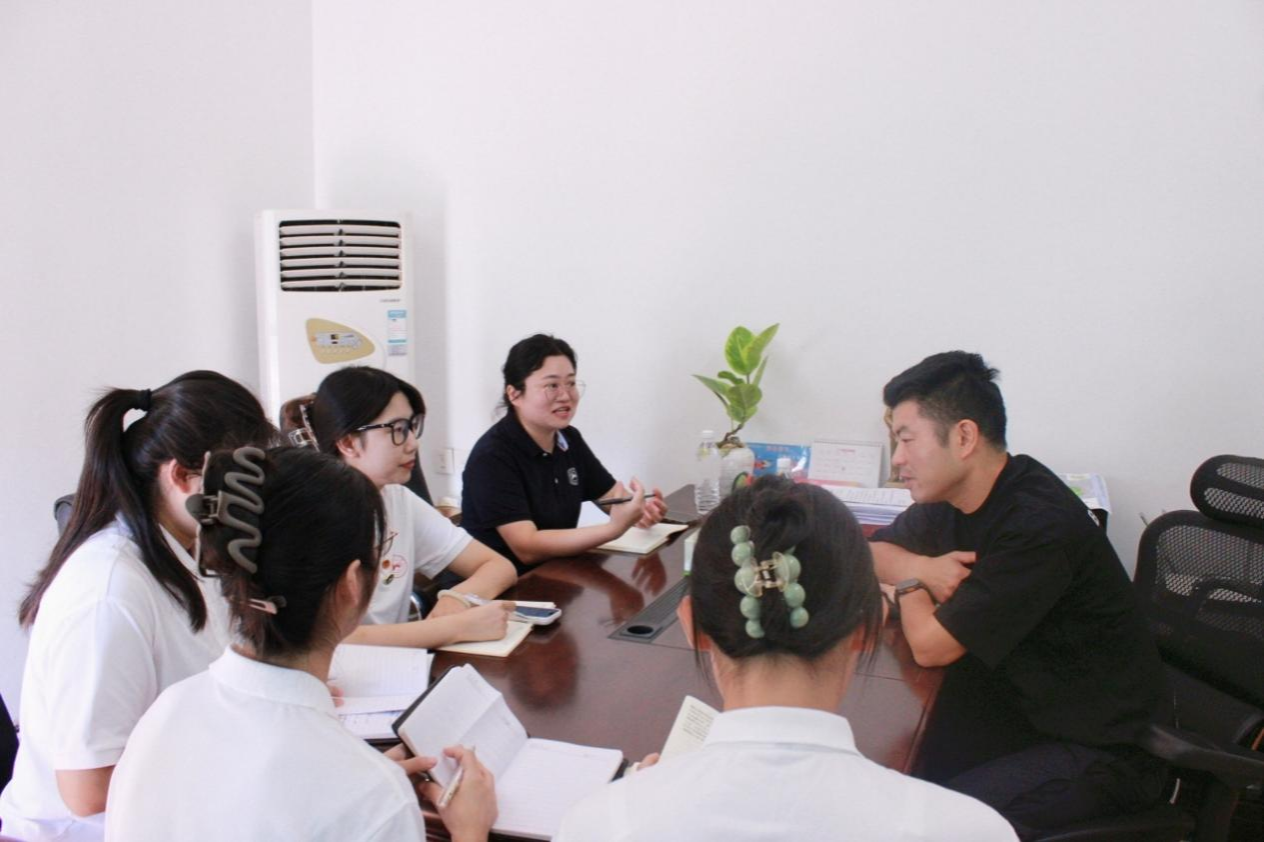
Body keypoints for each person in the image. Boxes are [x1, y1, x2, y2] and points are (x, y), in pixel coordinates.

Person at [555, 477, 1017, 841]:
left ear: (692, 625)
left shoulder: (598, 825)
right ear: (868, 627)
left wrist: (639, 800)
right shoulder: (971, 830)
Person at [105, 445, 498, 841]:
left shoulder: (167, 710)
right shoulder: (373, 796)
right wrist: (470, 830)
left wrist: (369, 784)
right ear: (351, 584)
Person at [869, 351, 1170, 839]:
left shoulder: (1037, 525)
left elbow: (930, 645)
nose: (898, 459)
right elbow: (872, 553)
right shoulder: (954, 497)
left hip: (1098, 751)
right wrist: (922, 569)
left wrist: (905, 583)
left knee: (921, 825)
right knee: (879, 775)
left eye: (906, 440)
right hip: (1016, 712)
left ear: (964, 437)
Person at [0, 371, 276, 842]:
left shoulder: (178, 554)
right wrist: (256, 762)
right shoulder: (107, 592)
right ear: (183, 476)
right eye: (249, 481)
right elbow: (89, 791)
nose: (258, 500)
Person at [282, 367, 518, 648]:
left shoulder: (397, 499)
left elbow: (498, 566)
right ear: (348, 443)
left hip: (400, 665)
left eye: (412, 426)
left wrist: (457, 598)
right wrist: (452, 628)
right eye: (397, 430)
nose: (413, 443)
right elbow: (330, 640)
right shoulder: (310, 517)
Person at [461, 334, 667, 572]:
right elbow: (526, 547)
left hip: (555, 573)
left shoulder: (568, 439)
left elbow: (611, 497)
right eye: (552, 385)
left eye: (570, 383)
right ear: (514, 394)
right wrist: (612, 529)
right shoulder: (493, 456)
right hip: (499, 585)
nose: (566, 396)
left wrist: (640, 510)